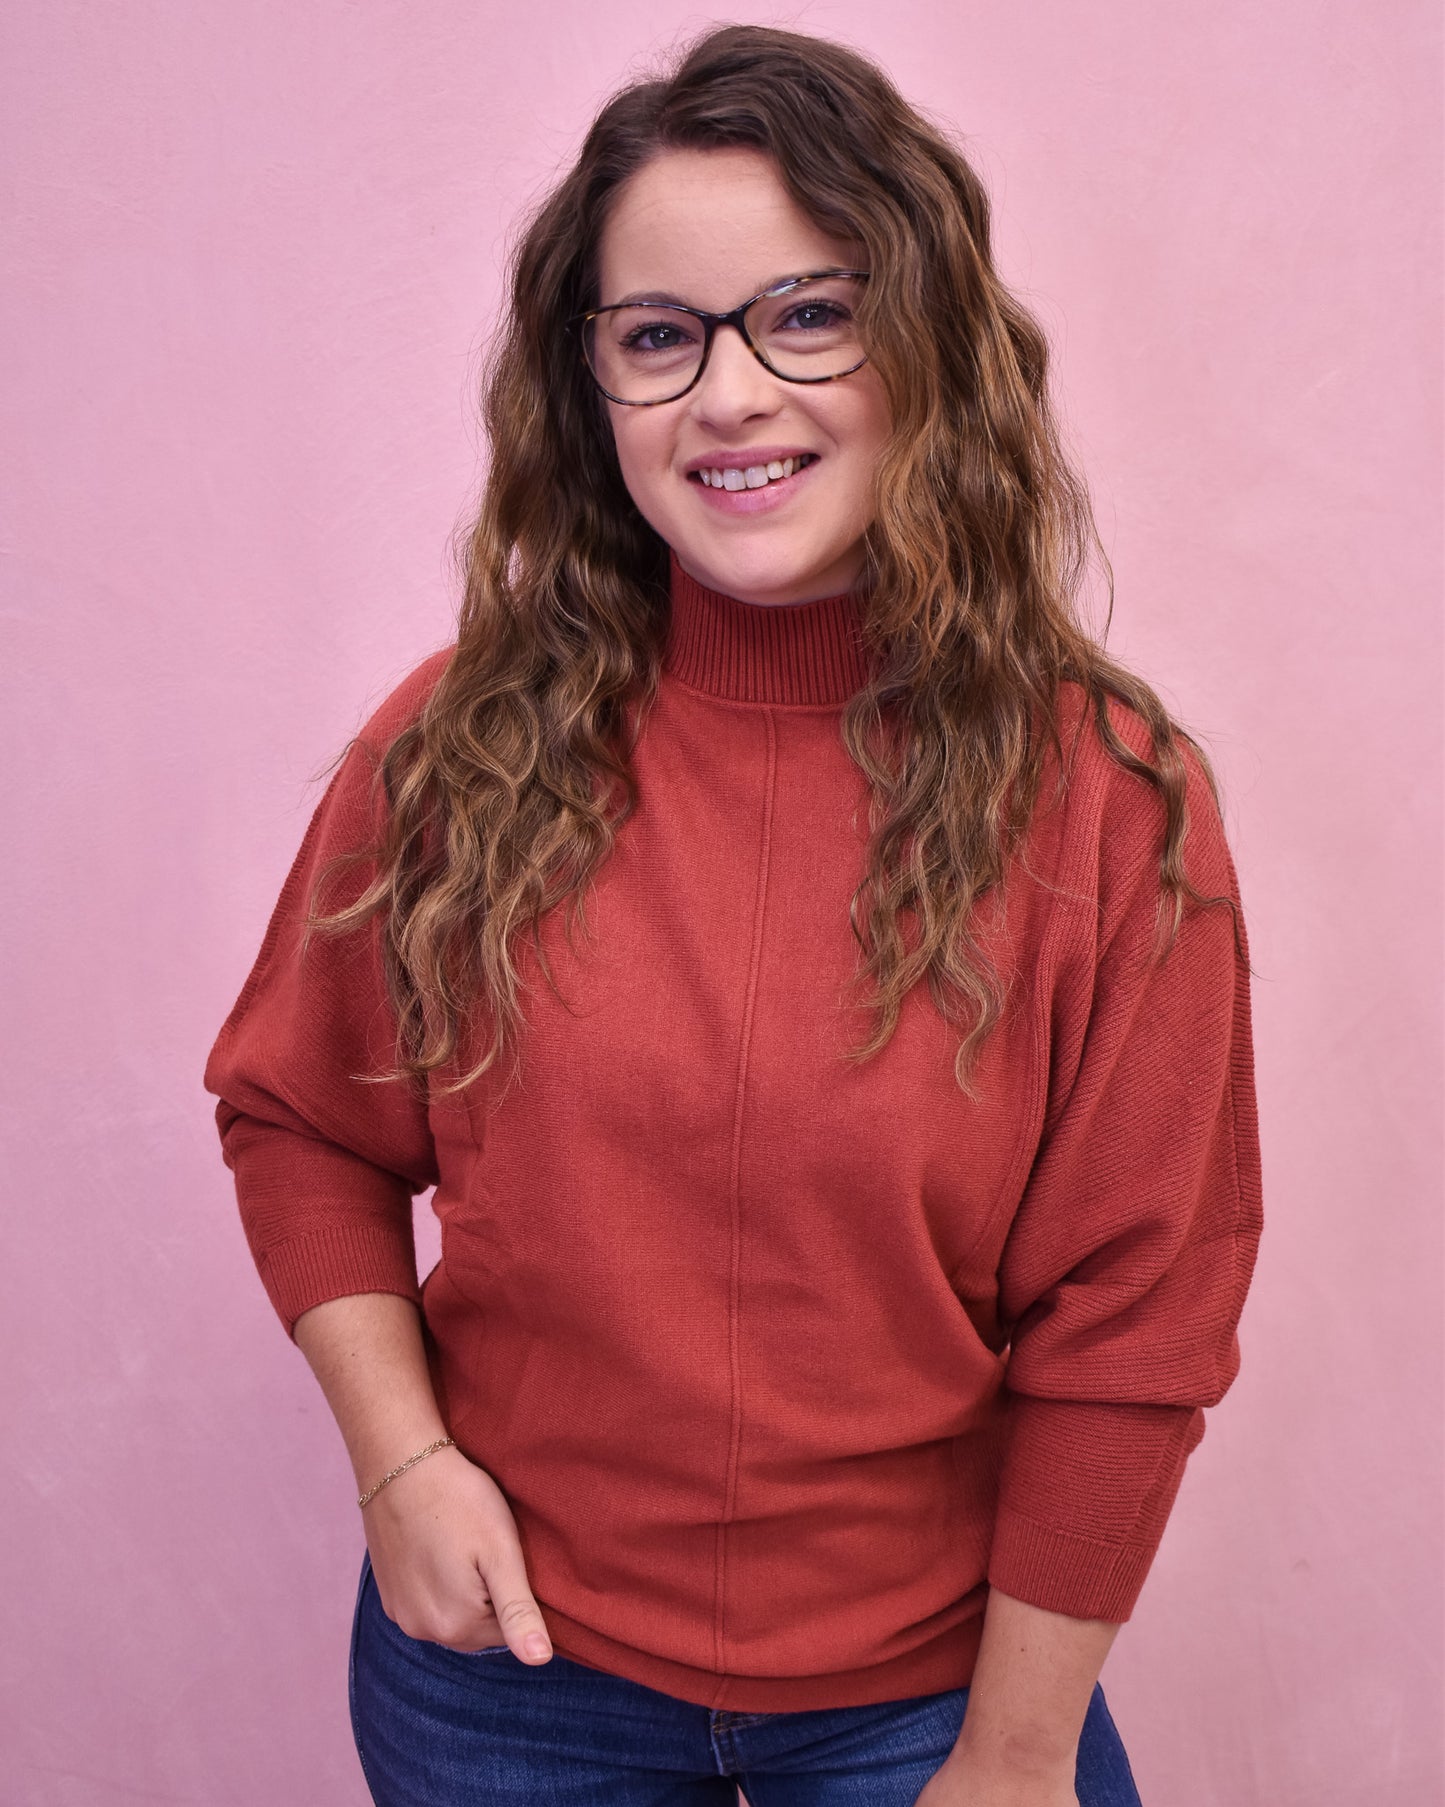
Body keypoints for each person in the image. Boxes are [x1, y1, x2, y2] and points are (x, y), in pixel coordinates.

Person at [203, 23, 1263, 1807]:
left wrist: (1011, 1762)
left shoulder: (1108, 794)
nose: (731, 394)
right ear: (591, 387)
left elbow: (1135, 1328)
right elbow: (298, 1119)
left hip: (935, 1708)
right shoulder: (457, 746)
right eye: (658, 337)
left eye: (810, 313)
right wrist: (400, 1470)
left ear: (927, 344)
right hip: (507, 1689)